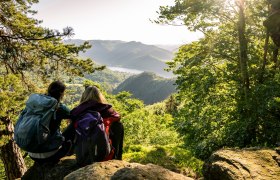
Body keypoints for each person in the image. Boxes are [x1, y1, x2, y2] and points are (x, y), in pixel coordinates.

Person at [71, 86, 124, 160]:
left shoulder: (78, 111)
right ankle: (117, 157)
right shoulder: (107, 109)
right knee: (118, 125)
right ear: (99, 96)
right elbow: (117, 117)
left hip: (83, 154)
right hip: (105, 153)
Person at [28, 80, 75, 164]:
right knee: (72, 131)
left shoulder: (36, 103)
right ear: (61, 93)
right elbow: (73, 115)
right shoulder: (59, 107)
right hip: (49, 155)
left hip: (31, 153)